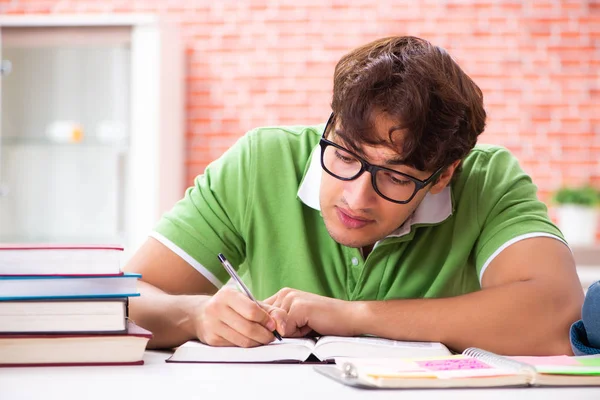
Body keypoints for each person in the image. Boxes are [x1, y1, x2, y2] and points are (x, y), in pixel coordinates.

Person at [124, 36, 584, 356]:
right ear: (330, 125)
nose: (356, 198)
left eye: (397, 177)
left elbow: (556, 315)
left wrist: (353, 316)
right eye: (344, 155)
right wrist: (196, 315)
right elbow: (120, 298)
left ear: (442, 176)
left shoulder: (488, 180)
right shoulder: (261, 161)